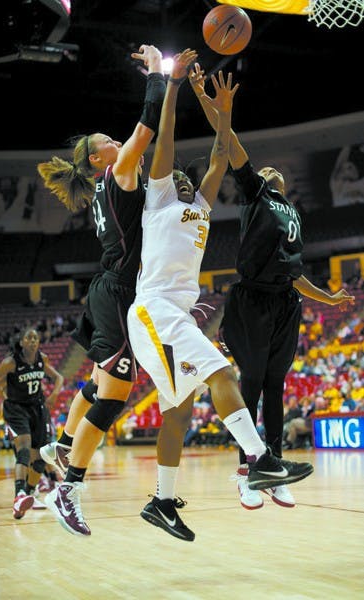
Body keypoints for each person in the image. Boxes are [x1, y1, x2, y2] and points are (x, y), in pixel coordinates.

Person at [127, 56, 314, 543]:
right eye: (179, 178)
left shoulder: (200, 207)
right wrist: (173, 87)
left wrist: (223, 110)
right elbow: (165, 140)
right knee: (222, 372)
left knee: (178, 413)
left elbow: (217, 158)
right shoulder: (161, 199)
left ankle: (162, 502)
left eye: (190, 181)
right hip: (154, 310)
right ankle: (259, 459)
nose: (186, 181)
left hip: (176, 315)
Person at [188, 64, 355, 510]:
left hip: (286, 300)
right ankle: (247, 469)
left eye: (272, 169)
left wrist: (329, 297)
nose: (269, 169)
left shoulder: (293, 214)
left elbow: (294, 272)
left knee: (277, 383)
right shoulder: (257, 194)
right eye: (263, 169)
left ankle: (275, 466)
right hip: (252, 299)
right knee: (255, 380)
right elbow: (229, 142)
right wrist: (212, 102)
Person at [37, 44, 166, 536]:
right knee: (115, 396)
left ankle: (64, 442)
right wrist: (156, 73)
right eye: (109, 139)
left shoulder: (106, 186)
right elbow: (147, 126)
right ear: (98, 157)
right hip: (116, 293)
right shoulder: (118, 172)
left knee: (99, 382)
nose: (118, 140)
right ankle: (67, 489)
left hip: (109, 290)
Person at [0, 328, 64, 518]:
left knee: (41, 458)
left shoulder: (42, 359)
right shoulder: (11, 362)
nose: (33, 341)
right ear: (22, 342)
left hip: (37, 408)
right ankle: (19, 494)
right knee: (24, 448)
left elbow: (59, 377)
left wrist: (55, 394)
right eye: (29, 338)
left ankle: (28, 493)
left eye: (36, 338)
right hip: (16, 409)